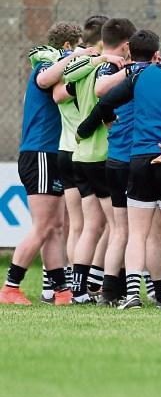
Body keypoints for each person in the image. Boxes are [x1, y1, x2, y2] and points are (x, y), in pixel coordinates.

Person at [80, 27, 161, 310]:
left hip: (137, 161)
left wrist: (87, 128)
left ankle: (133, 296)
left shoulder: (139, 75)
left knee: (136, 233)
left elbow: (106, 101)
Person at [0, 40, 95, 305]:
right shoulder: (47, 63)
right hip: (39, 152)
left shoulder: (67, 68)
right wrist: (78, 56)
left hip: (53, 153)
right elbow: (44, 81)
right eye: (79, 47)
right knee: (43, 227)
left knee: (56, 227)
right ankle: (10, 287)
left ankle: (62, 290)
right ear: (67, 46)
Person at [63, 17, 133, 303]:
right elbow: (103, 98)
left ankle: (78, 290)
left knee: (92, 225)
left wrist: (94, 57)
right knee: (119, 228)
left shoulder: (85, 66)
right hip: (103, 154)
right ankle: (112, 289)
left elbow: (66, 74)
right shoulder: (114, 69)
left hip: (79, 156)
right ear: (127, 46)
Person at [44, 22, 83, 303]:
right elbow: (53, 90)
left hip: (63, 151)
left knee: (67, 224)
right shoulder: (55, 65)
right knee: (62, 224)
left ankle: (60, 285)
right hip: (71, 151)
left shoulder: (58, 65)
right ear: (69, 46)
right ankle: (70, 287)